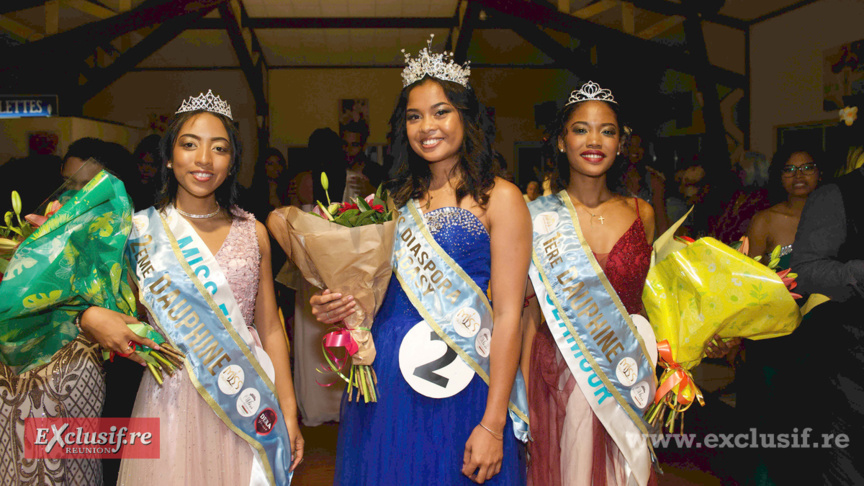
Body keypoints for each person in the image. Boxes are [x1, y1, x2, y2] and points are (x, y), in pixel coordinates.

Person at [310, 37, 531, 485]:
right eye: (414, 116)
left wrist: (492, 424)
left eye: (441, 111)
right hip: (386, 375)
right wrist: (340, 307)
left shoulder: (501, 198)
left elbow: (510, 315)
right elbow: (372, 292)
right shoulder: (392, 200)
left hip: (464, 377)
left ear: (466, 117)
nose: (426, 125)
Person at [75, 90, 303, 485]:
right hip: (171, 395)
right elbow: (120, 314)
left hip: (246, 395)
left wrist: (288, 407)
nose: (203, 159)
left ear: (231, 162)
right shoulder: (139, 233)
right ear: (168, 156)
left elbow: (269, 328)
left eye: (219, 148)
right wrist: (92, 316)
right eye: (189, 145)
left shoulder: (255, 233)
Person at [520, 81, 657, 486]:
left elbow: (645, 299)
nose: (594, 140)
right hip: (556, 375)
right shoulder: (537, 217)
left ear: (621, 143)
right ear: (561, 141)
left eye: (607, 130)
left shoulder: (642, 213)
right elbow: (529, 313)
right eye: (581, 129)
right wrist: (523, 397)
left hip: (623, 367)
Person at [745, 145, 821, 262]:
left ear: (820, 173)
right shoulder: (764, 221)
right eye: (789, 170)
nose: (798, 176)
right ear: (779, 176)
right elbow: (747, 274)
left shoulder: (835, 215)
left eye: (807, 168)